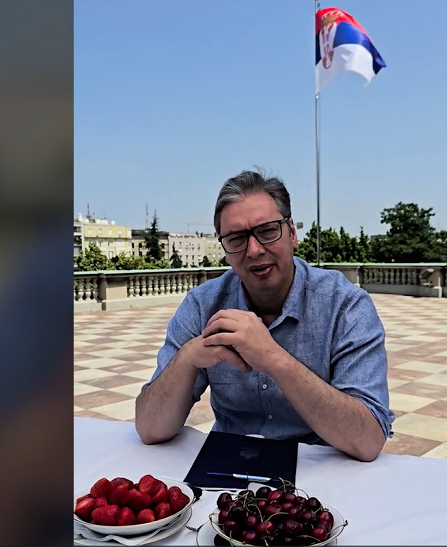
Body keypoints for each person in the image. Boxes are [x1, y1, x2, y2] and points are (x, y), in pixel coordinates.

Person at [135, 169, 394, 461]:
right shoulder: (202, 305)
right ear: (225, 249)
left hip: (321, 470)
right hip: (229, 469)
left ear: (292, 233)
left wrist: (274, 359)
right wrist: (188, 357)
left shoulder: (345, 306)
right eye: (236, 238)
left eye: (268, 231)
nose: (254, 250)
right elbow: (149, 428)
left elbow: (368, 441)